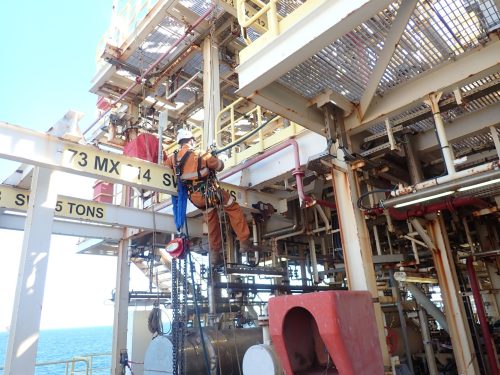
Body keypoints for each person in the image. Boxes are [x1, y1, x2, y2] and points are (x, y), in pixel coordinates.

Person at [164, 129, 252, 266]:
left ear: (179, 143)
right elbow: (219, 166)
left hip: (195, 197)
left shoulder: (173, 159)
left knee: (211, 220)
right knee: (232, 206)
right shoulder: (200, 154)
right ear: (191, 140)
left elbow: (164, 169)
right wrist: (217, 157)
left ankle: (214, 254)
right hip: (210, 192)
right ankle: (244, 241)